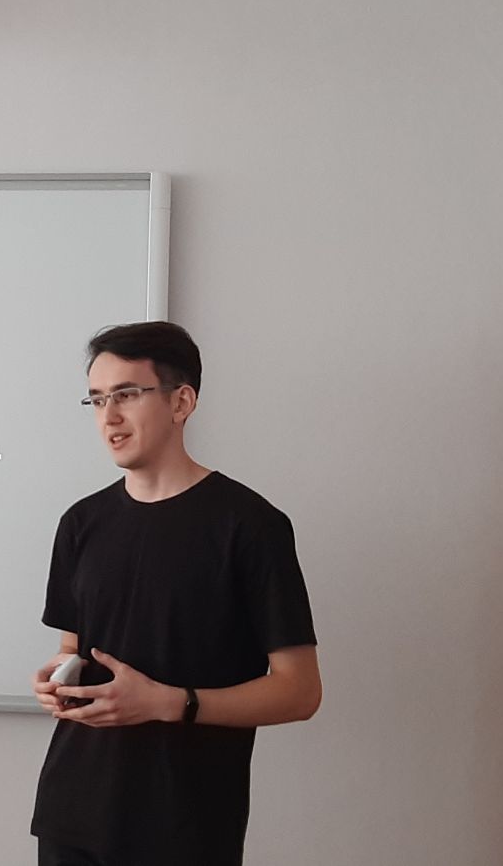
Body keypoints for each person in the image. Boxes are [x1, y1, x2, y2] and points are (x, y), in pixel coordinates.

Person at [30, 321, 322, 866]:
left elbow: (300, 691)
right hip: (73, 812)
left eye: (126, 395)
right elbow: (74, 647)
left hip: (185, 825)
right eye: (97, 399)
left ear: (181, 402)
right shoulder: (81, 523)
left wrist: (170, 703)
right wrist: (58, 678)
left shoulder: (251, 526)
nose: (109, 417)